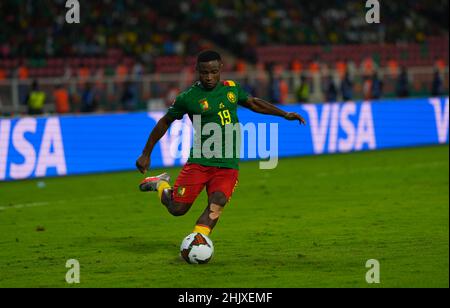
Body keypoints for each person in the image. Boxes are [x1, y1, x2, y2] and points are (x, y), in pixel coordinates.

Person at [135, 50, 306, 238]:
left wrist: (284, 114)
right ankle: (160, 184)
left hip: (227, 164)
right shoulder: (188, 97)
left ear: (221, 69)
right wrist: (146, 153)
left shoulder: (231, 89)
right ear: (197, 70)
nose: (209, 77)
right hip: (200, 161)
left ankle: (198, 241)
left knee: (217, 203)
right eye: (204, 72)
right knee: (177, 209)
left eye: (214, 72)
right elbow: (164, 122)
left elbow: (254, 103)